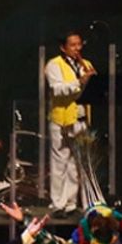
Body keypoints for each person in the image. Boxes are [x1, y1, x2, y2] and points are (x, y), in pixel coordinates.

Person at [44, 31, 96, 213]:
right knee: (60, 163)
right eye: (72, 45)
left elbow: (89, 92)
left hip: (80, 120)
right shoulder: (53, 65)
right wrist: (78, 82)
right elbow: (57, 89)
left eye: (79, 45)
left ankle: (71, 203)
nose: (77, 49)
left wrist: (91, 82)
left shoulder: (86, 64)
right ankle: (57, 203)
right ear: (63, 47)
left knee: (77, 164)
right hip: (61, 120)